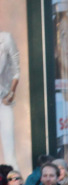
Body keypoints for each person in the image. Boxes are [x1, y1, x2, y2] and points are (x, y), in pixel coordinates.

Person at [0, 31, 19, 168]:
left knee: (9, 148)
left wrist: (11, 93)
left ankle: (13, 182)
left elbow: (16, 70)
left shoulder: (5, 39)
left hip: (2, 98)